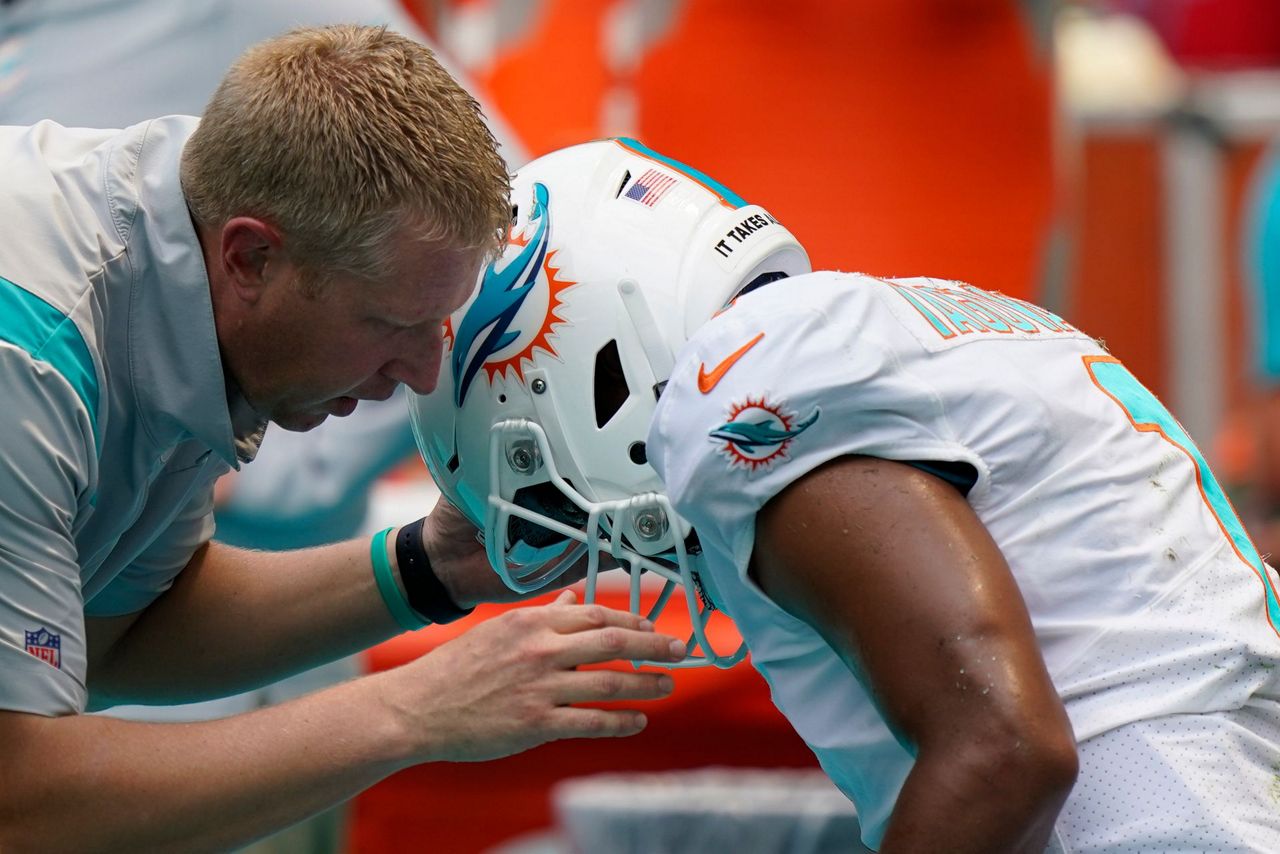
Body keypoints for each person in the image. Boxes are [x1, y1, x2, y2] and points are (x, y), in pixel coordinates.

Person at [409, 138, 1280, 851]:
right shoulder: (910, 321)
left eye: (536, 478)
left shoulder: (741, 386)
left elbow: (1001, 747)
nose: (584, 534)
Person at [0, 27, 687, 852]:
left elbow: (120, 633)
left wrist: (429, 568)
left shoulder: (188, 240)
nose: (424, 374)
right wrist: (412, 710)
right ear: (251, 257)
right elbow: (18, 799)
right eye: (390, 325)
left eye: (438, 325)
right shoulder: (29, 357)